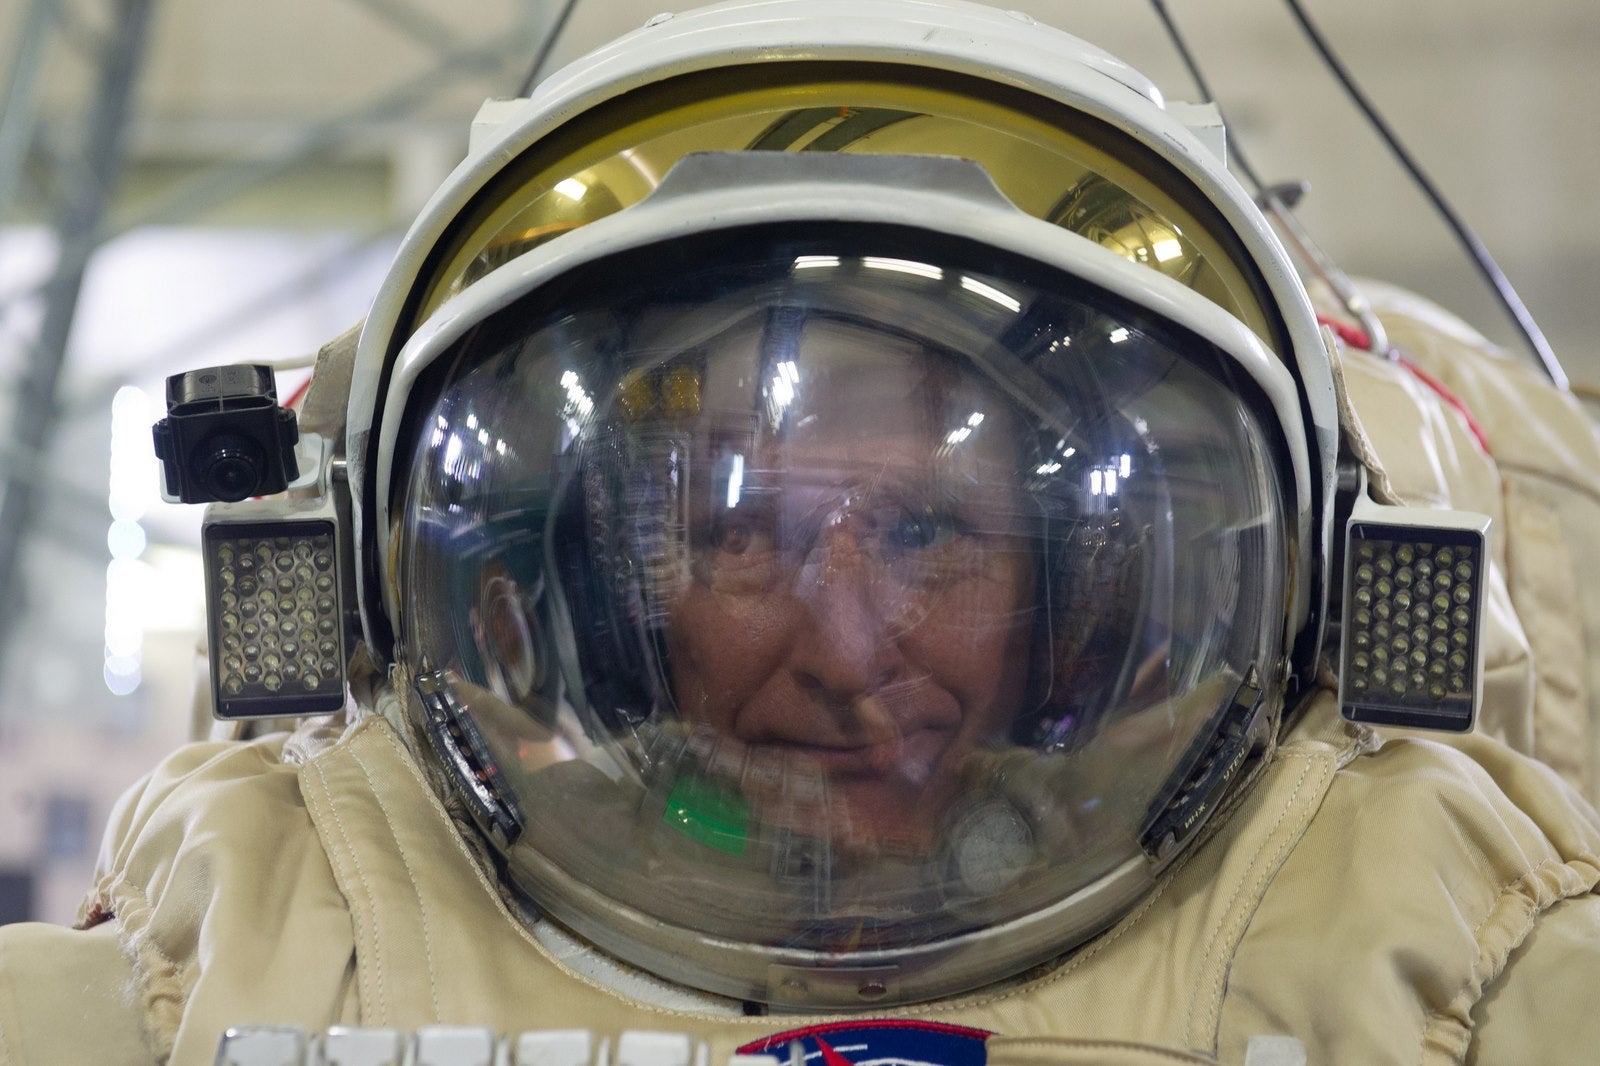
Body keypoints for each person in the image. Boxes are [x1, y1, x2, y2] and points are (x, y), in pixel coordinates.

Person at [3, 2, 1599, 1064]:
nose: (846, 645)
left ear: (1084, 598)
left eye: (929, 532)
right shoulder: (283, 931)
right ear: (611, 598)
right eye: (745, 534)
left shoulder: (1398, 931)